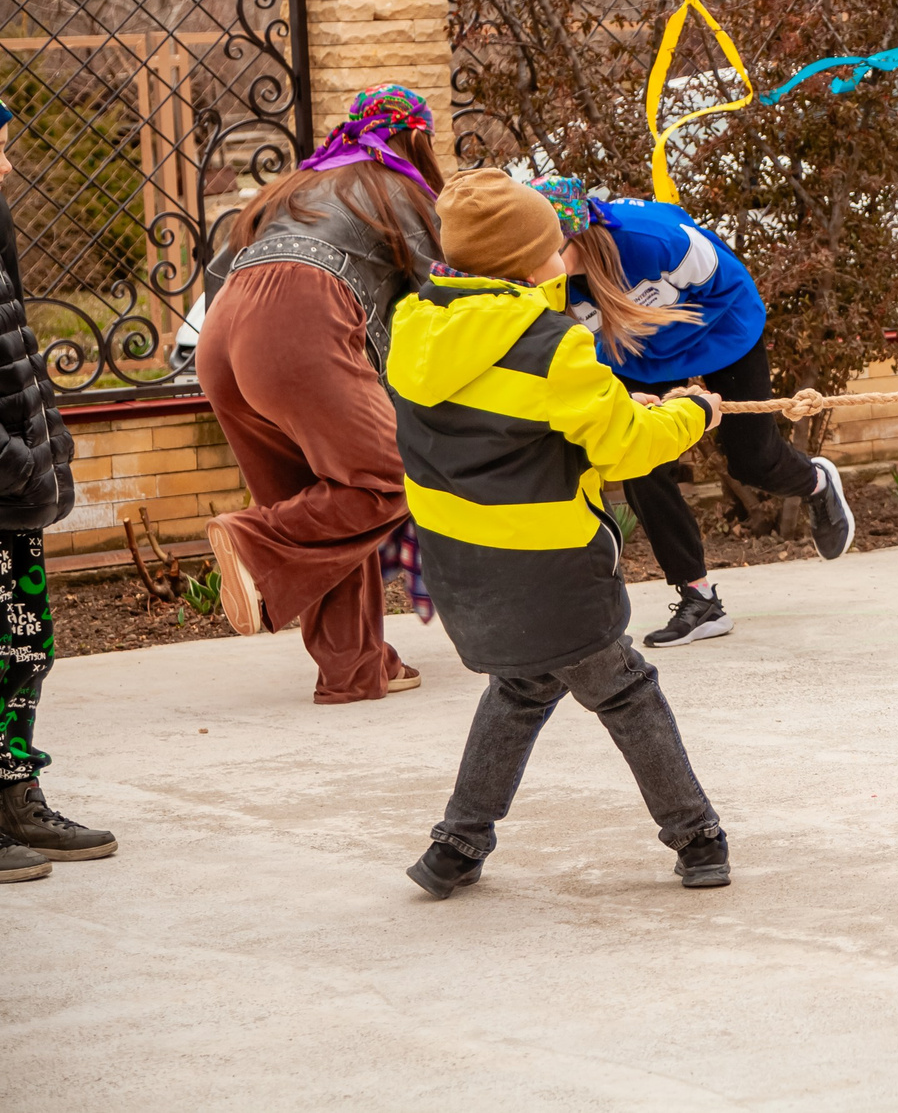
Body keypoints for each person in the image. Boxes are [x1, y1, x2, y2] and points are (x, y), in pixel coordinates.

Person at [390, 170, 731, 898]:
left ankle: (457, 843)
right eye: (553, 245)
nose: (564, 255)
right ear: (524, 262)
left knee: (520, 686)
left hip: (463, 568)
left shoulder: (412, 329)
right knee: (627, 693)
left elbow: (508, 427)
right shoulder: (552, 344)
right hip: (551, 571)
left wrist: (610, 403)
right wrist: (692, 413)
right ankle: (697, 834)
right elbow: (625, 447)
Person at [197, 84, 441, 704]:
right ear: (416, 137)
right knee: (388, 477)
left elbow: (224, 266)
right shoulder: (404, 189)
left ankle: (355, 670)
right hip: (299, 319)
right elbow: (429, 303)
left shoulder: (294, 186)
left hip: (224, 332)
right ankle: (254, 542)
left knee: (326, 501)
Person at [540, 179, 856, 649]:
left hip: (723, 338)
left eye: (545, 250)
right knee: (642, 461)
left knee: (752, 460)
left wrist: (682, 362)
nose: (535, 267)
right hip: (636, 359)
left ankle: (817, 483)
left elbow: (731, 284)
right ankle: (699, 598)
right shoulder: (553, 284)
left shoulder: (654, 241)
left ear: (577, 237)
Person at [0, 99, 115, 882]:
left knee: (22, 645)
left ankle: (14, 794)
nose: (8, 165)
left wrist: (48, 445)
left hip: (12, 496)